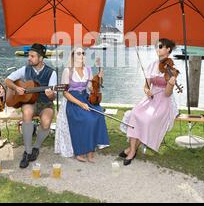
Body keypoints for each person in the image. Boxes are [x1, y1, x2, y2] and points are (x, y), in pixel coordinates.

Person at [119, 38, 179, 166]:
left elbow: (168, 94)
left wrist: (170, 84)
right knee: (134, 114)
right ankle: (133, 150)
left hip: (164, 101)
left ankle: (131, 150)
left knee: (147, 120)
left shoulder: (172, 69)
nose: (158, 49)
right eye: (156, 47)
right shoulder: (152, 65)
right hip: (150, 99)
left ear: (168, 49)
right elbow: (146, 86)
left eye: (161, 47)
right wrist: (147, 91)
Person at [5, 43, 57, 168]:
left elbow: (53, 96)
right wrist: (16, 88)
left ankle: (36, 148)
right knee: (27, 112)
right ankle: (27, 152)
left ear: (41, 58)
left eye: (32, 56)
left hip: (46, 103)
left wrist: (51, 94)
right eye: (29, 56)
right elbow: (7, 80)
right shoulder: (25, 69)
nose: (29, 58)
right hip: (29, 102)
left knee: (46, 122)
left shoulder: (51, 73)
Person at [54, 47, 109, 162]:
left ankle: (90, 150)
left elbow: (90, 87)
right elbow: (65, 93)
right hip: (73, 100)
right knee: (86, 119)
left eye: (83, 53)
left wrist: (99, 78)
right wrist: (80, 104)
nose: (82, 55)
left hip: (85, 97)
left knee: (98, 115)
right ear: (73, 56)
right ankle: (80, 151)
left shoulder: (88, 69)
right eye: (79, 53)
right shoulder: (68, 71)